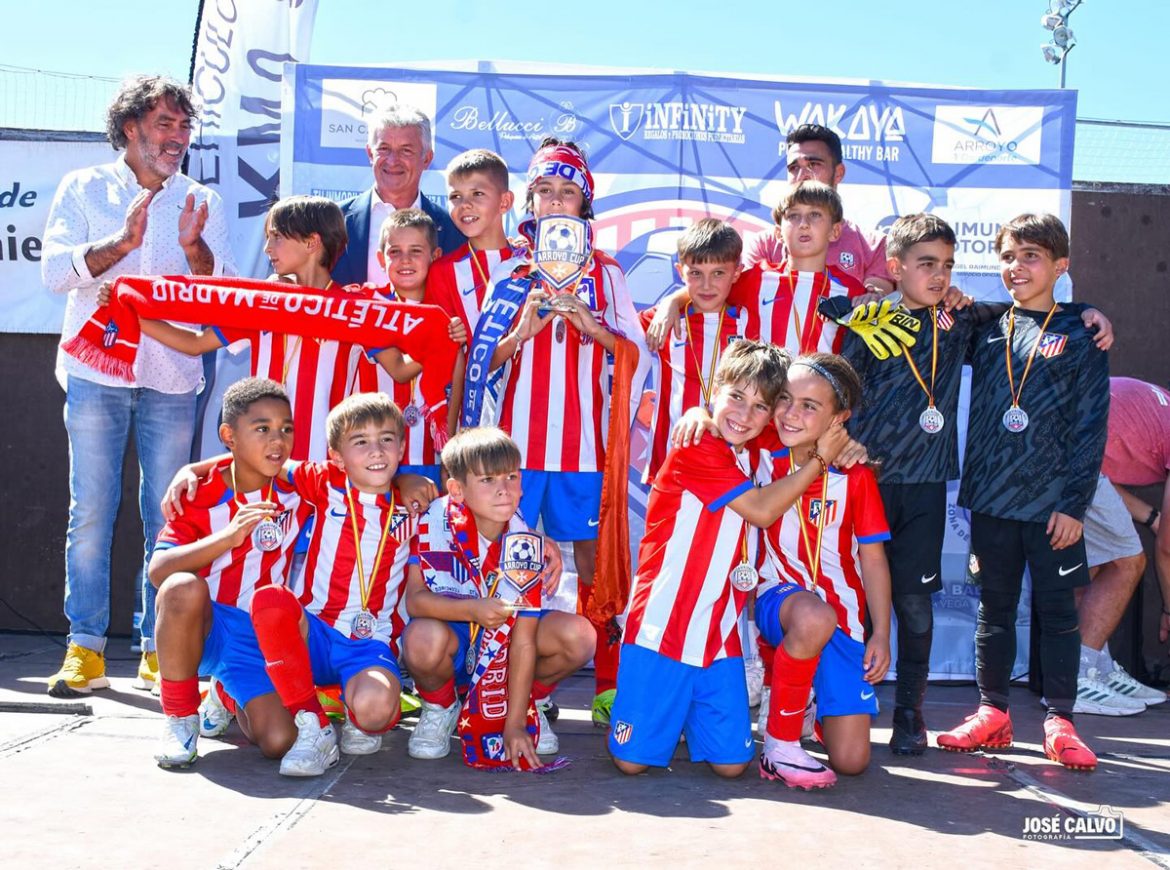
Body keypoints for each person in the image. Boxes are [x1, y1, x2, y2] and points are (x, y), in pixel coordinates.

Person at [819, 213, 1113, 753]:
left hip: (932, 489)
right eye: (926, 263)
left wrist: (1084, 311)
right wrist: (863, 304)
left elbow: (1026, 318)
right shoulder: (877, 320)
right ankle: (838, 703)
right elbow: (835, 376)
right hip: (868, 484)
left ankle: (910, 712)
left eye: (947, 265)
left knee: (914, 605)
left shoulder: (964, 324)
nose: (938, 275)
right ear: (897, 266)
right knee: (849, 598)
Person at [41, 74, 234, 698]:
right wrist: (121, 243)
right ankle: (86, 650)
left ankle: (159, 647)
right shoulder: (83, 187)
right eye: (163, 125)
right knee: (91, 512)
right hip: (96, 373)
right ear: (131, 128)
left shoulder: (201, 197)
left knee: (167, 515)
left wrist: (192, 245)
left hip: (173, 378)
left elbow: (220, 292)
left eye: (183, 126)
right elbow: (53, 273)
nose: (176, 137)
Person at [608, 340, 849, 778]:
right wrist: (821, 460)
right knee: (631, 764)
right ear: (714, 390)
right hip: (664, 623)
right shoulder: (697, 445)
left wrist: (846, 445)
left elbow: (802, 426)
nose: (744, 413)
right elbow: (760, 509)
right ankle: (660, 709)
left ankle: (676, 712)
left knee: (733, 766)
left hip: (717, 632)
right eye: (736, 397)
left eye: (761, 406)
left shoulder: (754, 448)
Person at [478, 139, 646, 719]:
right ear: (529, 201)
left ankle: (607, 684)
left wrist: (594, 328)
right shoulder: (510, 270)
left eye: (567, 192)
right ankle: (507, 688)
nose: (555, 201)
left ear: (584, 205)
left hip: (584, 451)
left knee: (595, 568)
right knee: (515, 564)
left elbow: (636, 355)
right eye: (545, 190)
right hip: (516, 451)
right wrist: (520, 332)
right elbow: (478, 364)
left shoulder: (606, 272)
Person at [937, 213, 1109, 771]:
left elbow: (1091, 426)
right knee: (994, 609)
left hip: (1052, 504)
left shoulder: (1082, 333)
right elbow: (931, 317)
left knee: (1059, 612)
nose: (1017, 267)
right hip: (990, 499)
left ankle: (1060, 719)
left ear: (1060, 266)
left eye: (1031, 256)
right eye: (1009, 256)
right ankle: (994, 714)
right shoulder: (983, 327)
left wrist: (1074, 503)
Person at [119, 196, 364, 462]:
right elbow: (196, 343)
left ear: (311, 242)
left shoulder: (354, 310)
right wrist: (134, 315)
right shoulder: (263, 302)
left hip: (325, 465)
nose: (267, 248)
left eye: (277, 237)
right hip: (262, 461)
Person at [248, 392, 417, 776]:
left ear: (402, 447)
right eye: (360, 442)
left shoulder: (415, 504)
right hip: (314, 634)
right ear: (337, 456)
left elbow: (470, 518)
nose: (376, 451)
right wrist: (193, 470)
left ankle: (353, 707)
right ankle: (314, 726)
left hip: (368, 643)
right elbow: (264, 459)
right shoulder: (324, 481)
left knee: (374, 713)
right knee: (270, 600)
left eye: (387, 439)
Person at [403, 427, 594, 766]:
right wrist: (473, 610)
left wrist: (515, 725)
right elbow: (416, 602)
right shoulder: (432, 521)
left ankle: (524, 702)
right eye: (488, 480)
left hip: (507, 649)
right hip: (455, 638)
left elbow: (523, 641)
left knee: (579, 636)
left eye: (511, 477)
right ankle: (441, 706)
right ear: (457, 490)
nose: (504, 490)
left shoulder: (525, 542)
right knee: (421, 638)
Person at [149, 378, 310, 768]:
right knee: (181, 588)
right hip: (205, 627)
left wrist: (408, 480)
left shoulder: (299, 489)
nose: (277, 440)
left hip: (258, 638)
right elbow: (158, 572)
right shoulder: (198, 493)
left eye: (286, 428)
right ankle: (180, 718)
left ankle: (225, 692)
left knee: (279, 741)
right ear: (228, 435)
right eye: (262, 429)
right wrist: (227, 537)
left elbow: (354, 475)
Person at [756, 353, 891, 788]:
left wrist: (881, 633)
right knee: (813, 616)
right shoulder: (759, 457)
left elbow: (872, 559)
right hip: (778, 601)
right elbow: (722, 409)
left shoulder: (855, 476)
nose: (791, 413)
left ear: (840, 418)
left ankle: (807, 696)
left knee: (851, 761)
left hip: (843, 617)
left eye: (810, 406)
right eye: (784, 399)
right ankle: (779, 745)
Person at [645, 181, 867, 357]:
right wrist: (672, 302)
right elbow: (710, 286)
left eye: (815, 215)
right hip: (758, 412)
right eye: (793, 215)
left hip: (815, 412)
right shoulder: (756, 279)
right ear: (778, 232)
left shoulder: (851, 291)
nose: (804, 224)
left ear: (835, 231)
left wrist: (871, 301)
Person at [1076, 376, 1170, 710]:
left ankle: (1096, 670)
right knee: (1127, 561)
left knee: (1095, 566)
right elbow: (1167, 547)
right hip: (1068, 452)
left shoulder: (1160, 416)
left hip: (1063, 448)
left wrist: (1152, 517)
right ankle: (1077, 677)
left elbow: (1106, 474)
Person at [354, 209, 466, 485]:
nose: (405, 260)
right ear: (381, 259)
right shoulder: (371, 307)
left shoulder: (446, 311)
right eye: (395, 252)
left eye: (416, 251)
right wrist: (441, 340)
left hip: (431, 453)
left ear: (435, 256)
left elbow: (457, 377)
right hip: (375, 457)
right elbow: (400, 371)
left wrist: (449, 447)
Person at [427, 149, 519, 427]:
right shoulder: (442, 271)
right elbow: (444, 357)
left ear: (505, 202)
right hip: (472, 415)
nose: (464, 205)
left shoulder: (529, 265)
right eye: (456, 197)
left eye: (477, 194)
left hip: (525, 412)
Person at [742, 124, 892, 294]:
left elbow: (876, 303)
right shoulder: (764, 245)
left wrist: (872, 295)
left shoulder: (873, 246)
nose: (802, 175)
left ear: (838, 173)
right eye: (794, 168)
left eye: (813, 164)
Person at [332, 104, 464, 285]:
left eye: (406, 150)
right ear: (370, 154)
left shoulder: (453, 230)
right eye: (384, 149)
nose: (393, 161)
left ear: (427, 159)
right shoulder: (332, 222)